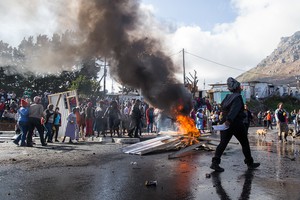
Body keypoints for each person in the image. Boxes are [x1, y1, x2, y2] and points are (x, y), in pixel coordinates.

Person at [210, 77, 260, 172]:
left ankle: (215, 163)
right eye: (239, 87)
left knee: (223, 143)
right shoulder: (238, 97)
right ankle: (250, 163)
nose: (240, 89)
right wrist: (229, 120)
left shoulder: (227, 97)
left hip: (225, 122)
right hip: (235, 123)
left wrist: (226, 120)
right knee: (244, 143)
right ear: (237, 88)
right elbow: (234, 110)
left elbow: (223, 108)